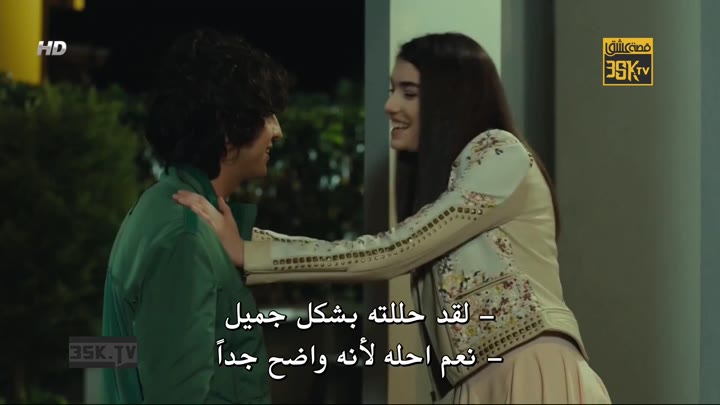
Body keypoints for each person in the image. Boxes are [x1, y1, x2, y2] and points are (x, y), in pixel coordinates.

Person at [173, 32, 611, 404]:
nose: (389, 105)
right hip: (476, 385)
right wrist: (244, 239)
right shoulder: (451, 180)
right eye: (392, 90)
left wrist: (248, 251)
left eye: (409, 92)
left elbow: (391, 250)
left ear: (453, 98)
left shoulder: (499, 151)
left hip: (530, 377)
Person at [100, 28, 288, 404]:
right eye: (266, 115)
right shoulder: (185, 237)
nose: (277, 131)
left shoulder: (167, 209)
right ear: (227, 126)